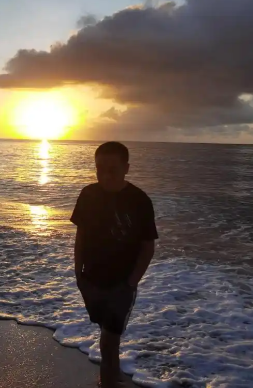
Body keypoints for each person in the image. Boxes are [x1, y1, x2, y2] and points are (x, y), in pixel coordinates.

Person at [71, 141, 158, 388]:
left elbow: (148, 247)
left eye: (113, 170)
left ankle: (107, 382)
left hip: (121, 284)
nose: (105, 176)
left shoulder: (139, 201)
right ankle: (112, 374)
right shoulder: (88, 195)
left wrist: (130, 283)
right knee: (106, 332)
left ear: (126, 168)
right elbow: (81, 237)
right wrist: (79, 275)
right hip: (91, 280)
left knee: (110, 339)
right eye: (100, 169)